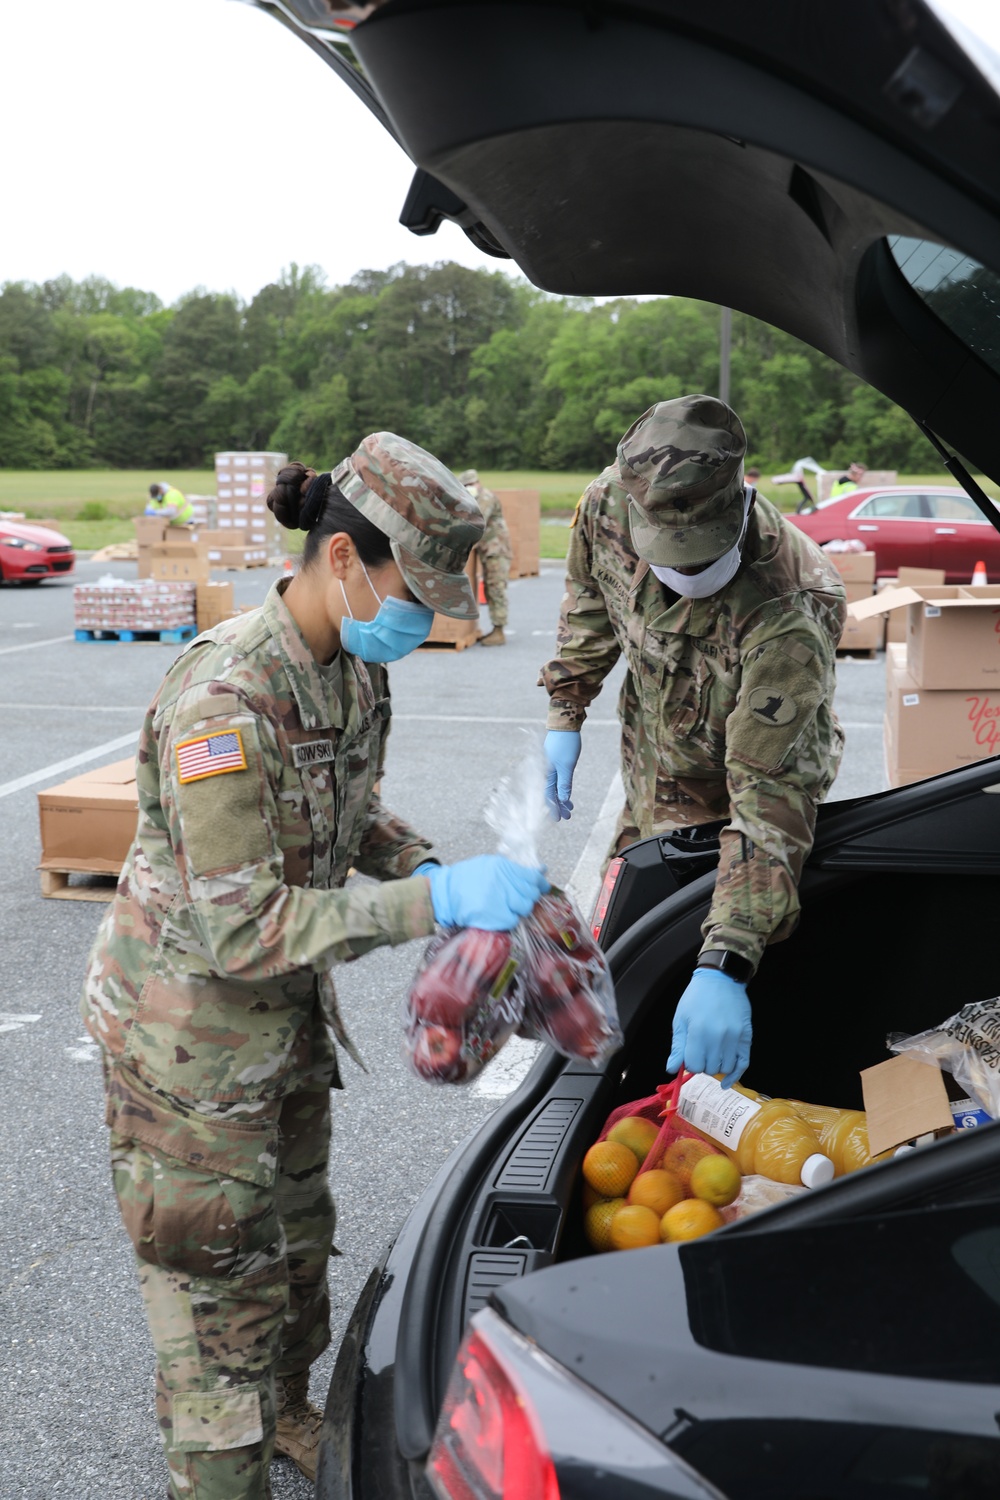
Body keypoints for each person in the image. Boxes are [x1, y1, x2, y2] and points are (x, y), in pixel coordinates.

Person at [81, 432, 548, 1500]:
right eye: (412, 593)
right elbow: (237, 928)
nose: (423, 622)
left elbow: (349, 808)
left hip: (281, 1022)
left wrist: (432, 865)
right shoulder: (226, 703)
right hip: (186, 1052)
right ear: (342, 560)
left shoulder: (348, 669)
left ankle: (288, 1411)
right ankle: (221, 1473)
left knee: (296, 1248)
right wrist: (428, 903)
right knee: (218, 1304)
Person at [539, 395, 846, 1087]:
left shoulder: (790, 609)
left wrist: (730, 960)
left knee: (717, 996)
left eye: (700, 552)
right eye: (666, 551)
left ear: (738, 503)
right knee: (620, 978)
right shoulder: (608, 504)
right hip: (648, 773)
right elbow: (589, 598)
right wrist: (566, 710)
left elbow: (769, 799)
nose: (682, 573)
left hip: (734, 808)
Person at [459, 468, 513, 646]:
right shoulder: (474, 499)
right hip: (489, 550)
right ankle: (496, 628)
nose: (469, 488)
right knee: (491, 588)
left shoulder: (485, 498)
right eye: (466, 486)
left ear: (477, 483)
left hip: (496, 550)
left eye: (471, 484)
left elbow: (477, 522)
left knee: (496, 588)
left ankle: (499, 631)